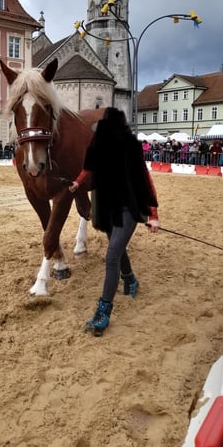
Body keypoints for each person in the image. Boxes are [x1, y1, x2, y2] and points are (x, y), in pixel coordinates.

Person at [68, 107, 159, 336]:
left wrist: (154, 216)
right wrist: (78, 184)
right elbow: (87, 169)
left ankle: (103, 312)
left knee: (111, 256)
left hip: (129, 209)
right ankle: (130, 280)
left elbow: (147, 183)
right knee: (116, 250)